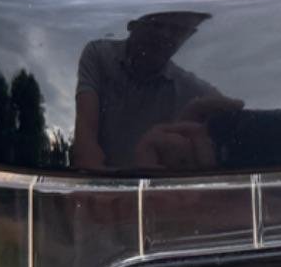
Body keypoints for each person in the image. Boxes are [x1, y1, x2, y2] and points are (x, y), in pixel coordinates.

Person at [72, 11, 242, 171]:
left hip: (162, 189)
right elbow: (85, 143)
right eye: (156, 25)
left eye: (177, 30)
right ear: (132, 24)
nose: (165, 35)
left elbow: (238, 120)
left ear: (189, 36)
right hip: (103, 186)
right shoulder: (99, 55)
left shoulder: (193, 89)